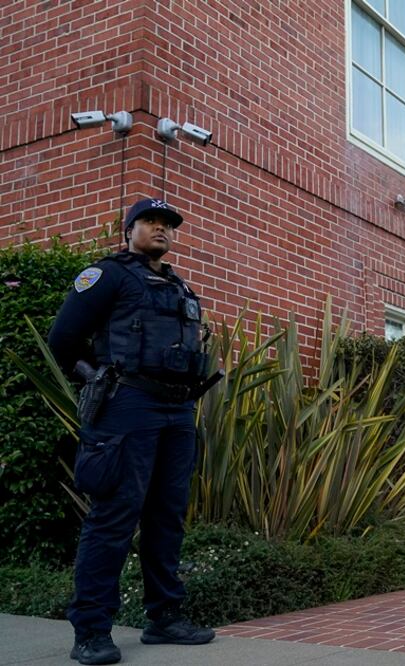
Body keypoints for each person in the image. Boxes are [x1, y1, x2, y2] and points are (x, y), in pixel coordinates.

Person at [48, 198, 215, 665]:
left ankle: (164, 618)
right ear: (129, 230)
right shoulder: (107, 276)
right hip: (127, 406)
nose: (160, 230)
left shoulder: (177, 285)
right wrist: (95, 376)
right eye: (150, 222)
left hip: (177, 409)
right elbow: (62, 339)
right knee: (114, 516)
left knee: (168, 516)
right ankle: (92, 630)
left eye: (167, 225)